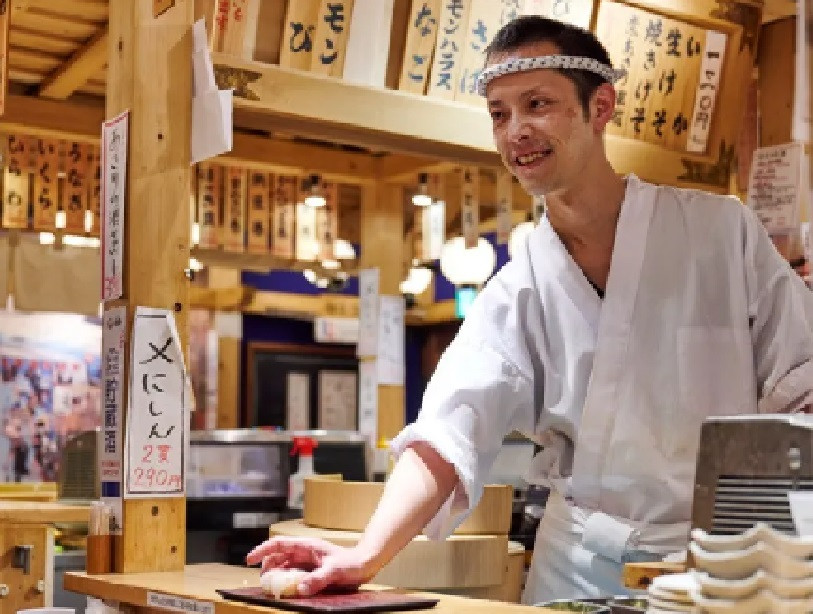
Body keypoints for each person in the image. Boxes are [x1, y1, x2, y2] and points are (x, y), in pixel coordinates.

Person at [247, 16, 813, 604]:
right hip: (577, 561)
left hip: (723, 561)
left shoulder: (721, 233)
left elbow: (803, 383)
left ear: (600, 106)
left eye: (537, 104)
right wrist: (365, 555)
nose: (516, 130)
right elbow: (447, 433)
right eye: (499, 113)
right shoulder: (518, 288)